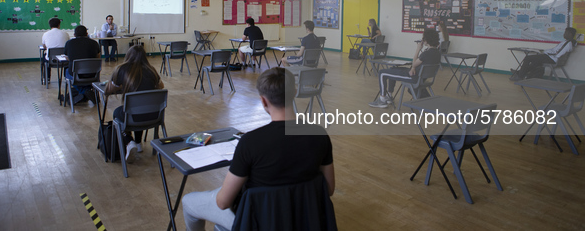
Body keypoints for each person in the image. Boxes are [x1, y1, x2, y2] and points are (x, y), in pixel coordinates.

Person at [182, 68, 334, 231]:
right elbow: (329, 189)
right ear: (295, 92)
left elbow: (223, 202)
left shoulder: (250, 143)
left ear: (263, 101)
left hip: (258, 222)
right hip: (305, 219)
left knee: (189, 202)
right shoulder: (320, 135)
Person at [105, 45, 164, 163]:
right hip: (155, 116)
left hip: (132, 116)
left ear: (128, 55)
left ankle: (129, 141)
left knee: (119, 113)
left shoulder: (121, 69)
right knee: (140, 107)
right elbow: (161, 86)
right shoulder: (151, 70)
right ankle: (138, 143)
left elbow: (109, 89)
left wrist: (122, 85)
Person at [370, 28, 441, 108]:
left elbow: (414, 63)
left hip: (413, 77)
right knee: (392, 69)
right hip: (420, 77)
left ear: (427, 40)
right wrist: (413, 68)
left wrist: (417, 49)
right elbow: (416, 65)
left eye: (423, 38)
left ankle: (382, 100)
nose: (422, 40)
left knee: (382, 73)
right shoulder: (437, 53)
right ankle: (389, 96)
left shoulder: (426, 53)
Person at [510, 27, 577, 81]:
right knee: (535, 62)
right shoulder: (567, 42)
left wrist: (546, 53)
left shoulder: (568, 44)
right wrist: (544, 51)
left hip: (551, 59)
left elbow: (557, 53)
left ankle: (520, 76)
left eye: (565, 33)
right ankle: (519, 73)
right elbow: (555, 50)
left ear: (570, 34)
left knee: (528, 58)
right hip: (551, 57)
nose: (564, 34)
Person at [64, 25, 101, 103]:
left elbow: (68, 58)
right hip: (93, 75)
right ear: (87, 34)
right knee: (85, 78)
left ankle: (83, 91)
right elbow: (98, 57)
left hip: (76, 75)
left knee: (67, 71)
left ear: (74, 35)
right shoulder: (94, 43)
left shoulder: (69, 43)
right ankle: (87, 91)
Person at [41, 17, 70, 81]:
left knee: (44, 56)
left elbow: (44, 46)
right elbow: (68, 45)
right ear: (59, 25)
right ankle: (67, 78)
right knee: (68, 57)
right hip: (64, 59)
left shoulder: (45, 34)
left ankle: (46, 78)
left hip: (51, 60)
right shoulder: (65, 34)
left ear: (50, 25)